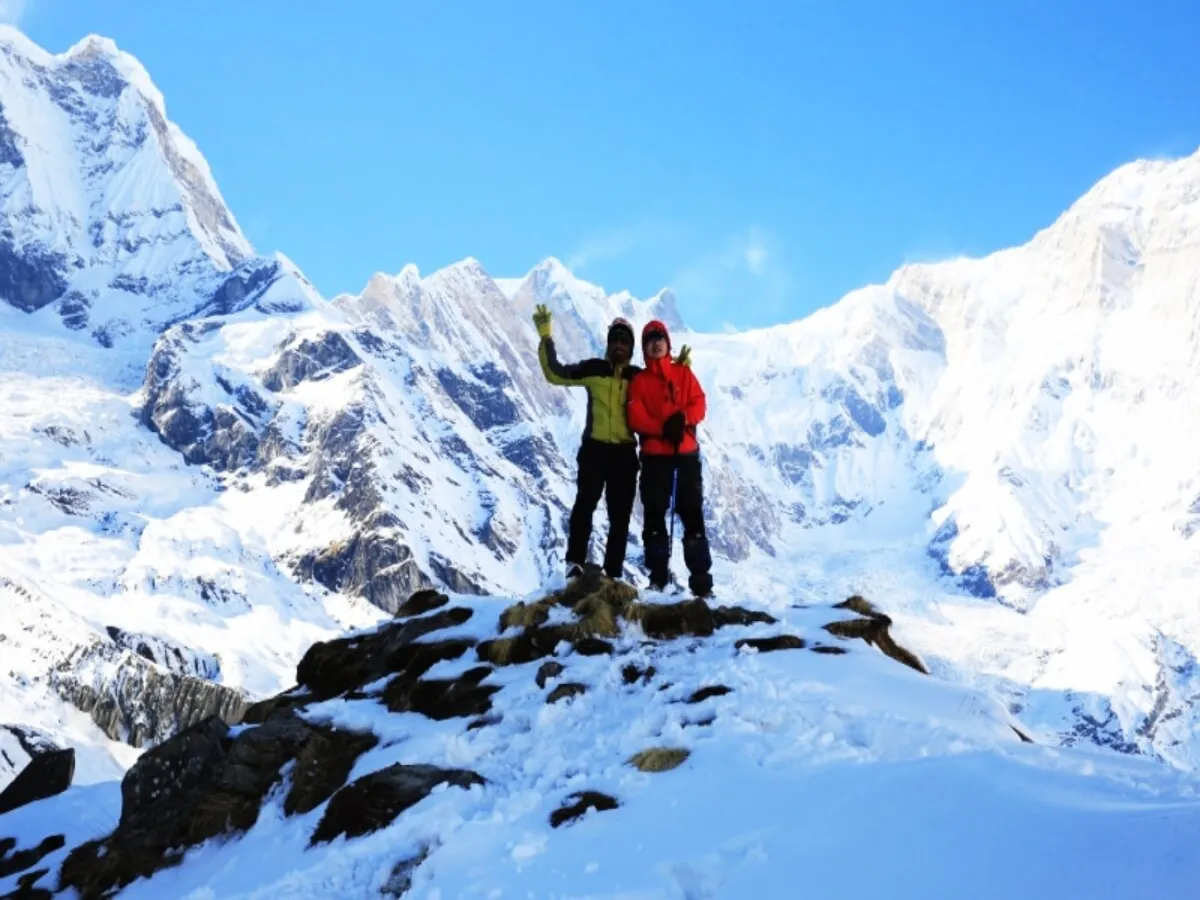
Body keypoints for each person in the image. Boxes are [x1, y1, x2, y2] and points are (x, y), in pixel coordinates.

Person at [533, 303, 640, 580]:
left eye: (625, 341)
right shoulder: (595, 368)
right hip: (594, 449)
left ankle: (613, 573)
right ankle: (575, 563)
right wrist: (546, 338)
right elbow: (555, 373)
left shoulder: (638, 377)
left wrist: (681, 370)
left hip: (625, 454)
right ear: (608, 344)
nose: (619, 345)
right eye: (615, 339)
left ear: (631, 348)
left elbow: (665, 390)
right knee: (584, 506)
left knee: (620, 517)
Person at [626, 319, 713, 597]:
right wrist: (663, 428)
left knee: (692, 516)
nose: (656, 343)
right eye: (650, 340)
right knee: (654, 518)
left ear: (667, 342)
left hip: (684, 455)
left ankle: (701, 582)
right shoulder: (640, 381)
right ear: (644, 348)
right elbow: (635, 416)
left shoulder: (683, 373)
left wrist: (683, 418)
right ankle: (659, 578)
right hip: (656, 457)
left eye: (659, 338)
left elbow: (699, 403)